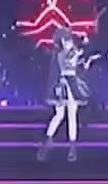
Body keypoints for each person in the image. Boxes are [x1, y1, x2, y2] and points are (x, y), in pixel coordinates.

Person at [38, 25, 93, 162]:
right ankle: (48, 142)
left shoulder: (72, 53)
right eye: (65, 40)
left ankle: (71, 147)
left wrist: (84, 63)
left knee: (71, 116)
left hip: (72, 85)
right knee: (60, 115)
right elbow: (60, 69)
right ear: (61, 41)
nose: (68, 42)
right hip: (62, 86)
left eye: (69, 40)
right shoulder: (60, 55)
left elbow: (79, 67)